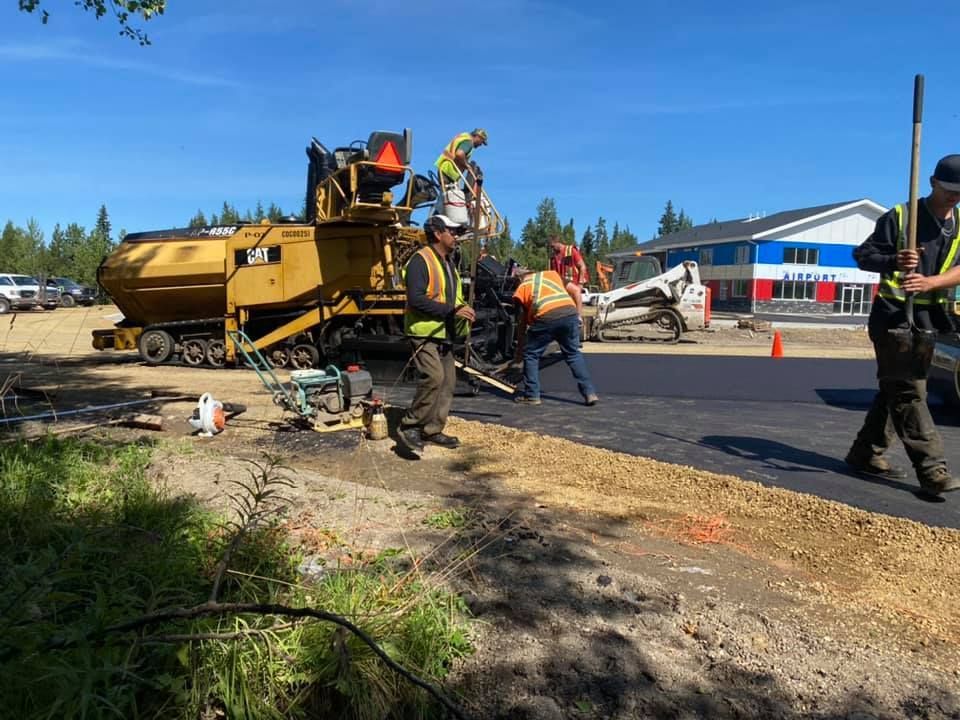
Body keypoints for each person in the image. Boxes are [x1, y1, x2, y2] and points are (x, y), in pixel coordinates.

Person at [845, 154, 960, 498]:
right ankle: (932, 470)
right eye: (949, 189)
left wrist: (932, 282)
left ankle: (865, 451)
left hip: (930, 319)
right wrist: (894, 259)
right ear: (932, 183)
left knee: (895, 389)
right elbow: (863, 256)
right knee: (910, 392)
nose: (954, 196)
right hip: (893, 316)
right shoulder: (901, 216)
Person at [398, 214, 476, 453]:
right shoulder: (420, 261)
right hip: (424, 332)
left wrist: (464, 312)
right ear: (438, 233)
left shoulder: (448, 264)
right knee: (433, 377)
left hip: (444, 333)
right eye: (453, 232)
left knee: (448, 383)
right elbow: (416, 299)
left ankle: (432, 430)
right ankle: (410, 425)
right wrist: (452, 311)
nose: (457, 237)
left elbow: (452, 298)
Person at [512, 268, 598, 406]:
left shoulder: (522, 288)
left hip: (546, 317)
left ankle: (532, 395)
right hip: (569, 314)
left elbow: (522, 323)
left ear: (519, 278)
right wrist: (578, 315)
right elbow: (576, 290)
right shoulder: (551, 275)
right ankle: (589, 393)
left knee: (531, 355)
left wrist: (520, 350)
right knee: (573, 354)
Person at [548, 235, 590, 321]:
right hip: (561, 285)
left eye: (552, 246)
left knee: (576, 292)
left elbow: (582, 266)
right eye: (550, 247)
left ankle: (578, 316)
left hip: (573, 283)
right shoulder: (553, 257)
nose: (552, 249)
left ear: (557, 242)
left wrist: (580, 283)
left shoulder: (571, 251)